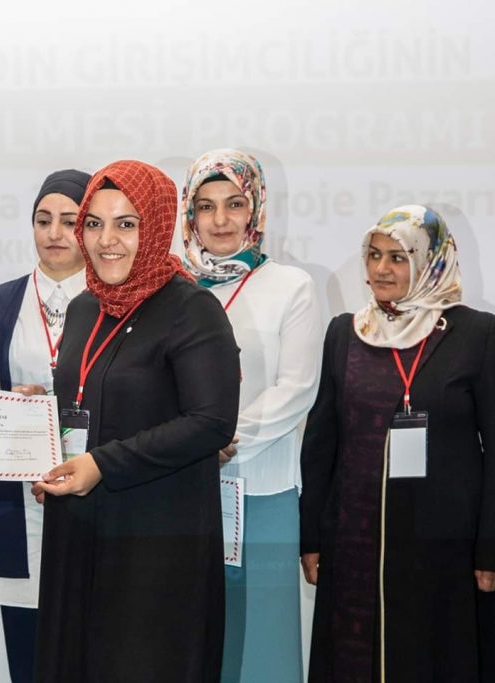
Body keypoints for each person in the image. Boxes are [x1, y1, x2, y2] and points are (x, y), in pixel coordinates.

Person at [33, 160, 240, 682]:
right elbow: (86, 401)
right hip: (77, 529)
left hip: (156, 541)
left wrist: (101, 465)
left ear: (155, 226)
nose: (107, 241)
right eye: (94, 223)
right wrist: (45, 444)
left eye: (126, 224)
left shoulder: (192, 309)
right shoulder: (84, 307)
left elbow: (211, 421)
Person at [300, 204, 495, 682]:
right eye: (374, 255)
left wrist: (489, 549)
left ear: (430, 261)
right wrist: (312, 537)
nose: (381, 269)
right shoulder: (346, 333)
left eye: (398, 257)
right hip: (353, 541)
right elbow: (322, 443)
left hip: (444, 545)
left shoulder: (475, 334)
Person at [179, 148, 321, 682]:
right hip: (182, 489)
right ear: (190, 214)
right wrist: (189, 446)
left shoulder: (291, 286)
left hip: (262, 488)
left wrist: (219, 439)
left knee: (263, 641)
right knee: (191, 635)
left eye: (234, 204)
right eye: (206, 206)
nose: (220, 220)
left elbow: (296, 388)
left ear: (255, 208)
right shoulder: (172, 289)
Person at [0, 168, 90, 682]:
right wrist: (10, 407)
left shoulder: (117, 301)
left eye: (70, 221)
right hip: (19, 503)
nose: (54, 233)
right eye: (43, 220)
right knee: (29, 659)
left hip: (94, 496)